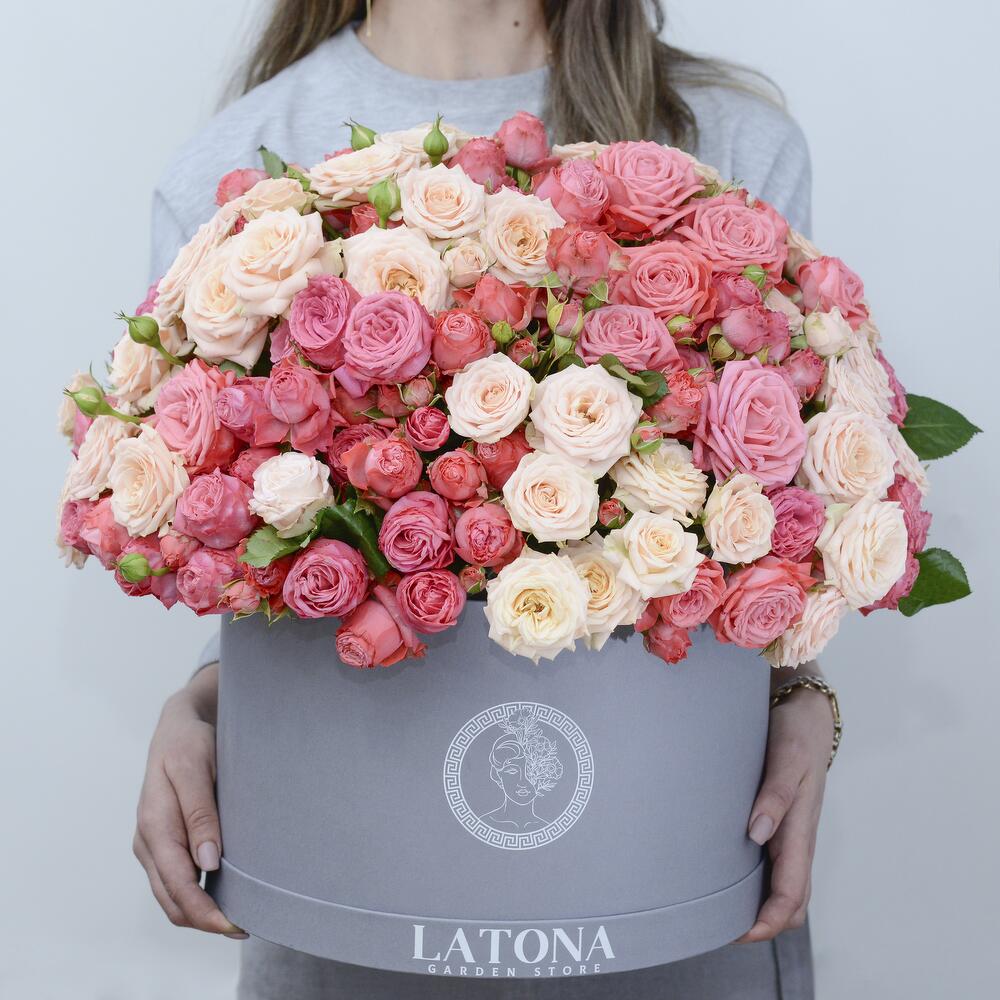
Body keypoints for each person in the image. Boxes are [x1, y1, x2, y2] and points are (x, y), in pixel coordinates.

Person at [134, 2, 837, 997]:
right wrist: (205, 705)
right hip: (355, 916)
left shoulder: (723, 143)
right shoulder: (243, 165)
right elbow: (249, 552)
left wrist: (801, 696)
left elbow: (777, 530)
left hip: (661, 898)